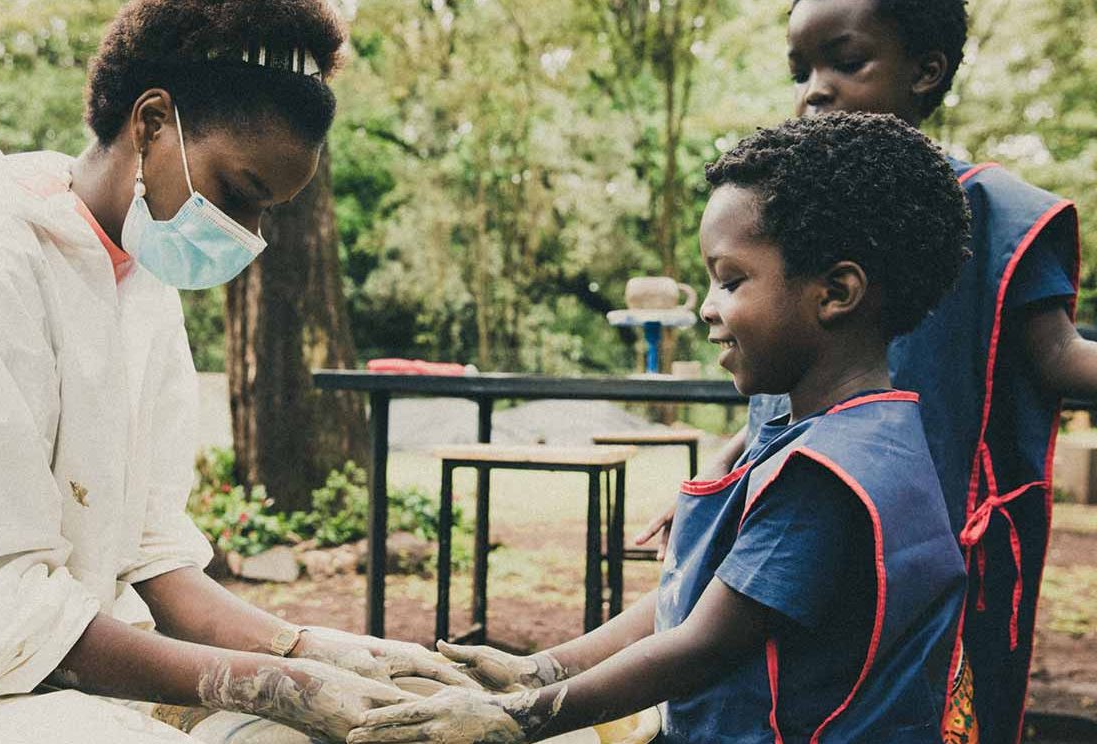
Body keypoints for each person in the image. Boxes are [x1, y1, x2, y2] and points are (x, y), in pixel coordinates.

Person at [0, 2, 475, 743]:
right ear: (152, 123)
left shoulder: (137, 290)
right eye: (241, 194)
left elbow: (150, 560)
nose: (249, 237)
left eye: (268, 214)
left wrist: (307, 649)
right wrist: (273, 684)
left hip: (61, 684)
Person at [348, 112, 971, 743]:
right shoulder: (875, 431)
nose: (706, 307)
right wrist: (538, 668)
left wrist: (519, 719)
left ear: (836, 293)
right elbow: (697, 605)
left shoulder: (823, 479)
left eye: (730, 280)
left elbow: (700, 646)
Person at [635, 3, 1089, 740]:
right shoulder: (792, 209)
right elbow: (784, 400)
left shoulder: (993, 210)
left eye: (845, 61)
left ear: (925, 70)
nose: (815, 89)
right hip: (812, 509)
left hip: (930, 522)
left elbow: (1059, 358)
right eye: (801, 70)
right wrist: (726, 474)